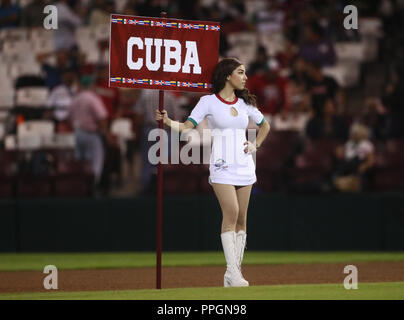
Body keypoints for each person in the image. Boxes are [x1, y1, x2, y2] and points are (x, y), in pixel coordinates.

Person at [155, 58, 270, 287]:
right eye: (241, 72)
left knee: (242, 219)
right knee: (232, 212)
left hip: (245, 164)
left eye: (245, 72)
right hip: (221, 165)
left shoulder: (245, 103)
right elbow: (188, 126)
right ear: (228, 75)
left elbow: (265, 125)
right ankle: (232, 273)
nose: (245, 77)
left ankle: (234, 274)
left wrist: (255, 145)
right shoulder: (207, 102)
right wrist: (168, 121)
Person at [69, 75, 113, 188]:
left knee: (81, 163)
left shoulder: (76, 98)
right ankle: (92, 189)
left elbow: (69, 117)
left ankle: (81, 188)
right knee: (95, 165)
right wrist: (107, 134)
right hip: (91, 135)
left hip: (78, 133)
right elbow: (102, 118)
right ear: (90, 85)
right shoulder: (92, 98)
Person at [332, 123, 375, 192]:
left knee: (356, 162)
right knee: (338, 171)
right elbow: (341, 156)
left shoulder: (366, 144)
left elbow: (371, 160)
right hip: (347, 165)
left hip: (358, 165)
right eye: (352, 133)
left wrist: (364, 166)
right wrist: (339, 151)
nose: (353, 134)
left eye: (355, 133)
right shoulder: (349, 143)